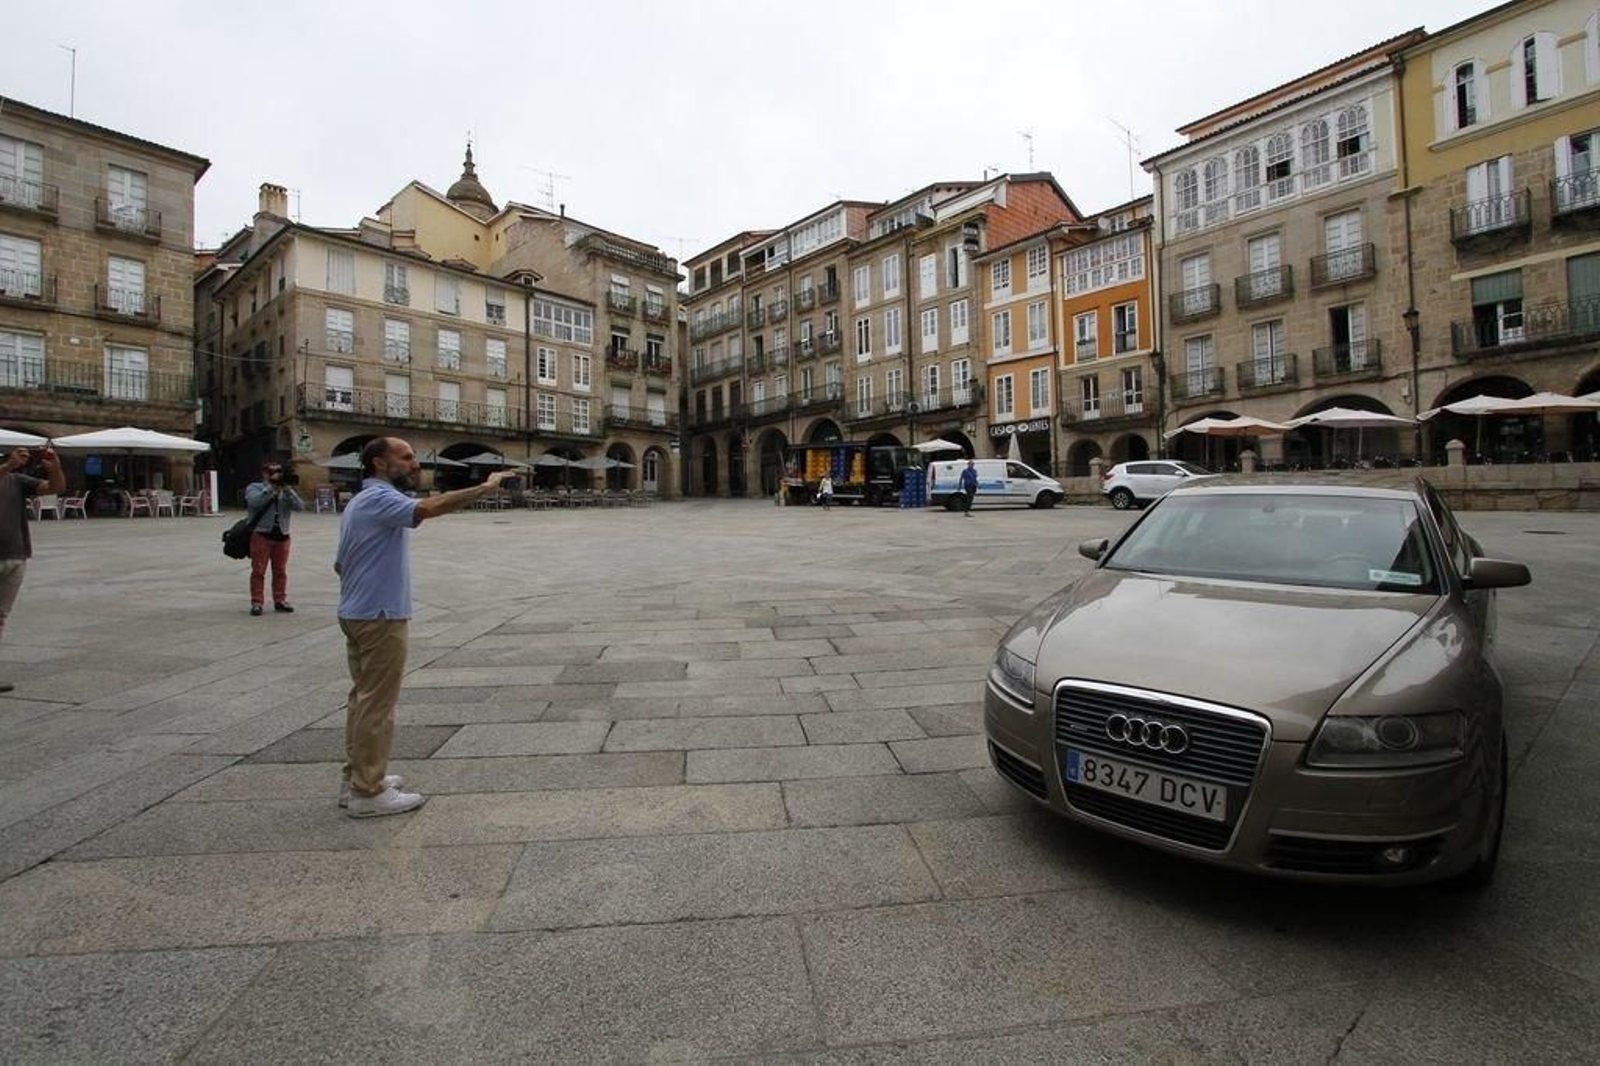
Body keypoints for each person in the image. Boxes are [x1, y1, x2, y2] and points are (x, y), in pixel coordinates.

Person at [334, 437, 512, 818]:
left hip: (357, 610)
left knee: (362, 699)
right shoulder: (380, 499)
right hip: (380, 615)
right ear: (380, 464)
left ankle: (358, 780)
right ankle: (368, 791)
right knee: (377, 704)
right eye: (407, 457)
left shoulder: (358, 502)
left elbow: (339, 564)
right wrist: (485, 487)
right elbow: (430, 507)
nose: (415, 464)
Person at [0, 447, 65, 694]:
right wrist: (8, 466)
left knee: (0, 617)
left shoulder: (17, 481)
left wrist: (54, 468)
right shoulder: (8, 473)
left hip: (15, 556)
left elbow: (55, 488)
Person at [244, 462, 306, 616]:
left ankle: (280, 600)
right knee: (258, 571)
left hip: (282, 536)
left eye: (279, 471)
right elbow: (254, 503)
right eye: (273, 471)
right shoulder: (255, 487)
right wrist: (271, 488)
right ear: (265, 473)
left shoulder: (286, 490)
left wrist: (287, 489)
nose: (277, 474)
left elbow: (300, 507)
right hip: (262, 535)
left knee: (280, 571)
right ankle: (257, 602)